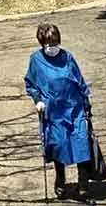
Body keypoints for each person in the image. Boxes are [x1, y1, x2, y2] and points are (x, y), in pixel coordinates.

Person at [25, 22, 94, 201]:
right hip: (53, 112)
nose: (52, 46)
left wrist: (86, 102)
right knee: (58, 145)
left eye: (55, 42)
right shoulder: (36, 60)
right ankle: (60, 182)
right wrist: (38, 100)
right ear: (42, 42)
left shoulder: (67, 57)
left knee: (81, 144)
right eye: (48, 43)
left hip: (74, 108)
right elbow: (30, 84)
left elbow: (79, 80)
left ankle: (83, 187)